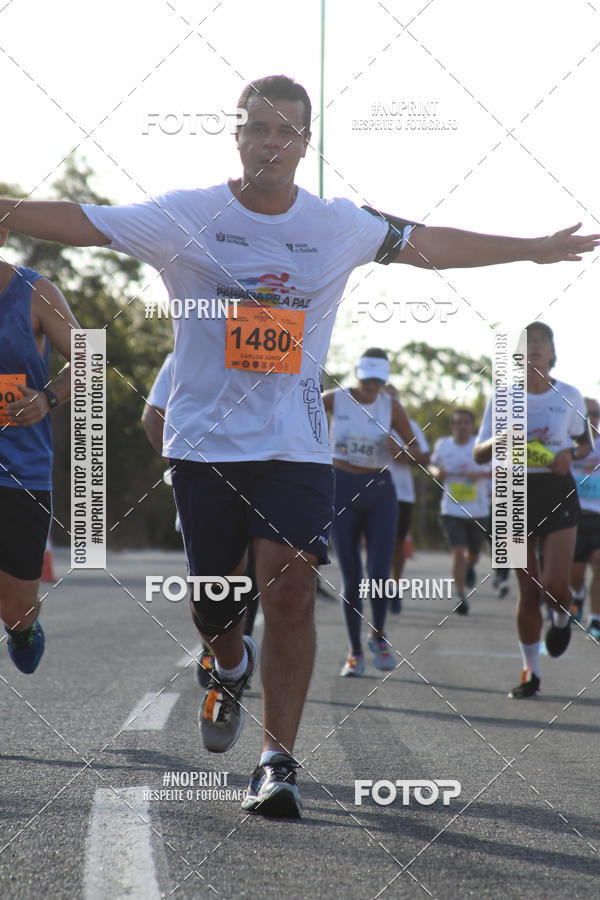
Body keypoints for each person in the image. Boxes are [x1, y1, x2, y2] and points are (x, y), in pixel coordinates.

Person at [2, 74, 599, 817]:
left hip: (295, 444)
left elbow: (429, 241)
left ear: (306, 143)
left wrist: (534, 249)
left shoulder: (337, 223)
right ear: (238, 134)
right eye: (259, 128)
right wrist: (8, 209)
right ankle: (229, 664)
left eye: (287, 131)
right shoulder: (185, 214)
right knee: (215, 606)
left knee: (288, 589)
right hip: (205, 446)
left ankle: (276, 759)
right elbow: (85, 219)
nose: (271, 143)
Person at [474, 322, 592, 698]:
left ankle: (561, 616)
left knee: (556, 587)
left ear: (553, 353)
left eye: (542, 341)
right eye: (529, 343)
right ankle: (531, 673)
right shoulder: (503, 397)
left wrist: (568, 455)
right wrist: (501, 439)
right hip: (512, 493)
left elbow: (585, 446)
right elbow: (479, 453)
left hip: (556, 488)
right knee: (529, 590)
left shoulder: (570, 394)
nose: (536, 347)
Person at [141, 352, 262, 682]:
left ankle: (230, 660)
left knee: (237, 570)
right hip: (207, 479)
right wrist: (181, 467)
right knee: (215, 575)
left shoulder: (261, 350)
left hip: (252, 476)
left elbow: (152, 419)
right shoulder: (181, 355)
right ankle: (222, 653)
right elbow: (152, 417)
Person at [0, 228, 78, 674]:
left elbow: (87, 359)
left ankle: (22, 628)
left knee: (17, 607)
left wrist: (47, 398)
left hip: (19, 470)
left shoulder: (34, 291)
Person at [323, 350, 425, 676]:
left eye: (378, 380)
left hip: (379, 491)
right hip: (341, 489)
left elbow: (417, 450)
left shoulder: (390, 406)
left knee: (379, 574)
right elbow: (297, 411)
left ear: (385, 379)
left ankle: (378, 636)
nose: (371, 386)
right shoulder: (336, 399)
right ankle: (354, 652)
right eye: (367, 378)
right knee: (352, 577)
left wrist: (403, 451)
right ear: (357, 373)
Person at [429, 410, 491, 614]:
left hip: (478, 510)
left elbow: (500, 469)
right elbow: (432, 465)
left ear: (473, 426)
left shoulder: (482, 446)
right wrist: (438, 472)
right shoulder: (443, 445)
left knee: (472, 555)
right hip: (451, 509)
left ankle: (471, 565)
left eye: (466, 422)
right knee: (457, 551)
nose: (462, 426)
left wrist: (480, 473)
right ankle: (460, 596)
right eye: (458, 423)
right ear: (452, 427)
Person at [384, 383, 430, 613]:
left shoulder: (409, 425)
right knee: (375, 544)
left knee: (398, 544)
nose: (390, 403)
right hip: (371, 490)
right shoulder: (368, 421)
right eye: (386, 397)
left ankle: (394, 587)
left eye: (394, 398)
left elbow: (424, 457)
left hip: (402, 493)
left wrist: (403, 453)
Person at [570, 397, 600, 640]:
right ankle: (577, 596)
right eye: (586, 415)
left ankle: (595, 619)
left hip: (598, 516)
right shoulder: (567, 445)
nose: (592, 419)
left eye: (596, 414)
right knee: (575, 576)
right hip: (573, 516)